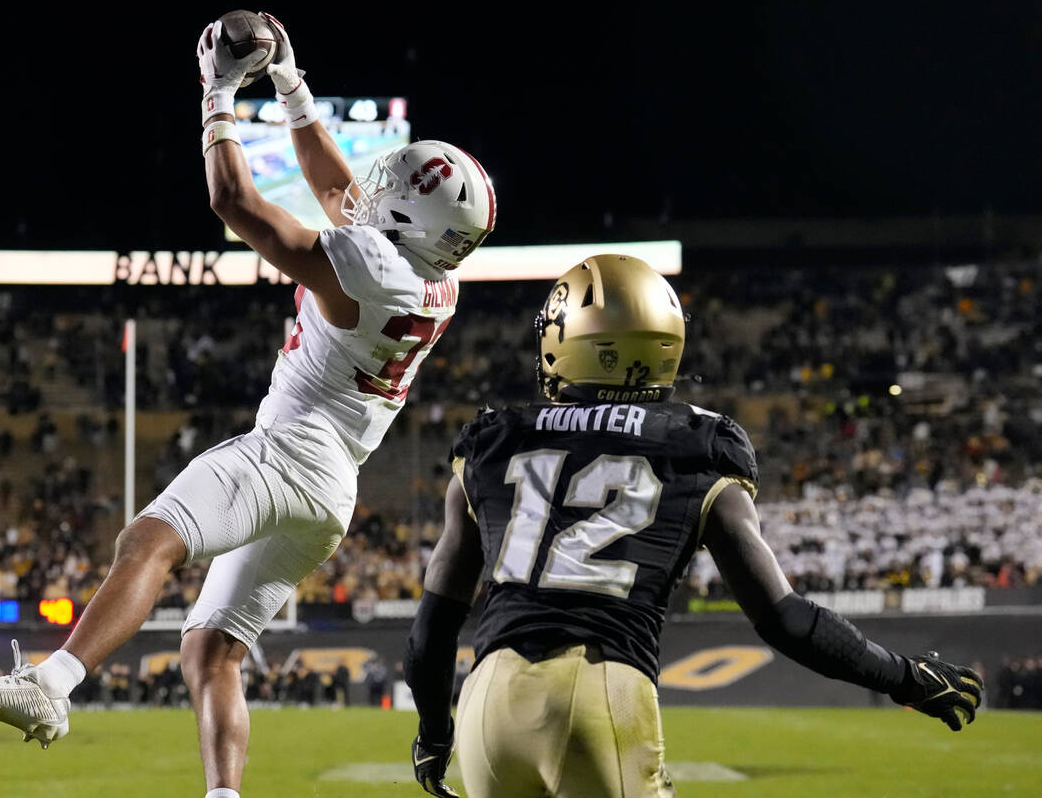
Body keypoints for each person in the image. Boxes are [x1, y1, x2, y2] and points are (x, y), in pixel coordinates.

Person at [0, 13, 495, 798]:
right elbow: (338, 190)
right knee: (211, 651)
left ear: (407, 219)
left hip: (287, 454)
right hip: (331, 490)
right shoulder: (437, 280)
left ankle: (52, 685)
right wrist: (291, 84)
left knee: (149, 537)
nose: (374, 193)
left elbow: (235, 202)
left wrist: (220, 90)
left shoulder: (369, 264)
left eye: (393, 190)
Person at [402, 255, 984, 798]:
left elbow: (433, 625)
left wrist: (433, 731)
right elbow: (785, 618)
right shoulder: (697, 445)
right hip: (599, 686)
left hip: (487, 702)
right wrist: (905, 678)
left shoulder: (495, 439)